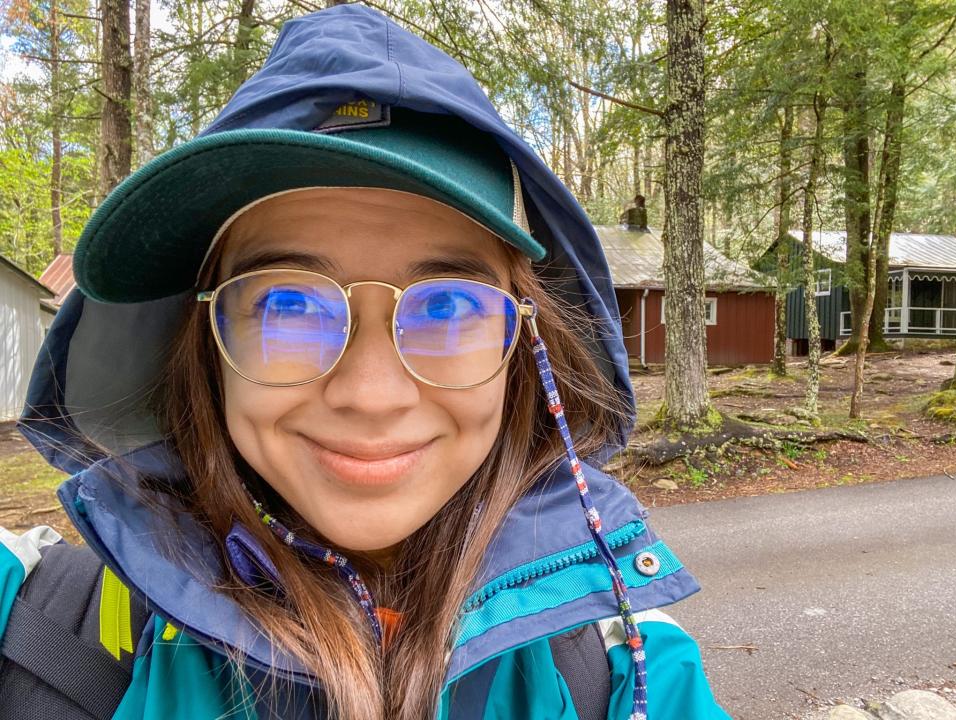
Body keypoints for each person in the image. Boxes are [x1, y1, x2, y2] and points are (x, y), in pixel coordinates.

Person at [0, 5, 730, 719]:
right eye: (288, 307)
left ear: (528, 353)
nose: (371, 396)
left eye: (447, 308)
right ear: (203, 349)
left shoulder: (625, 674)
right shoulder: (35, 626)